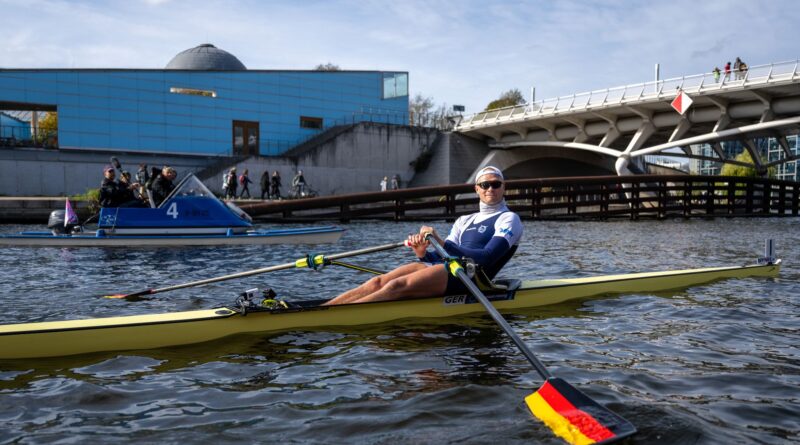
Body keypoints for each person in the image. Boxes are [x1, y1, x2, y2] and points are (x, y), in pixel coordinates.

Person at [325, 166, 523, 305]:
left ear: (503, 187)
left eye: (496, 184)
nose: (491, 189)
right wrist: (423, 254)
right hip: (452, 269)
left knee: (397, 285)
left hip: (474, 277)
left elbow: (487, 258)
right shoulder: (464, 220)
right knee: (377, 282)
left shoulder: (509, 218)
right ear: (477, 189)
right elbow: (444, 254)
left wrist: (439, 241)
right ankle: (325, 309)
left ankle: (334, 318)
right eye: (485, 184)